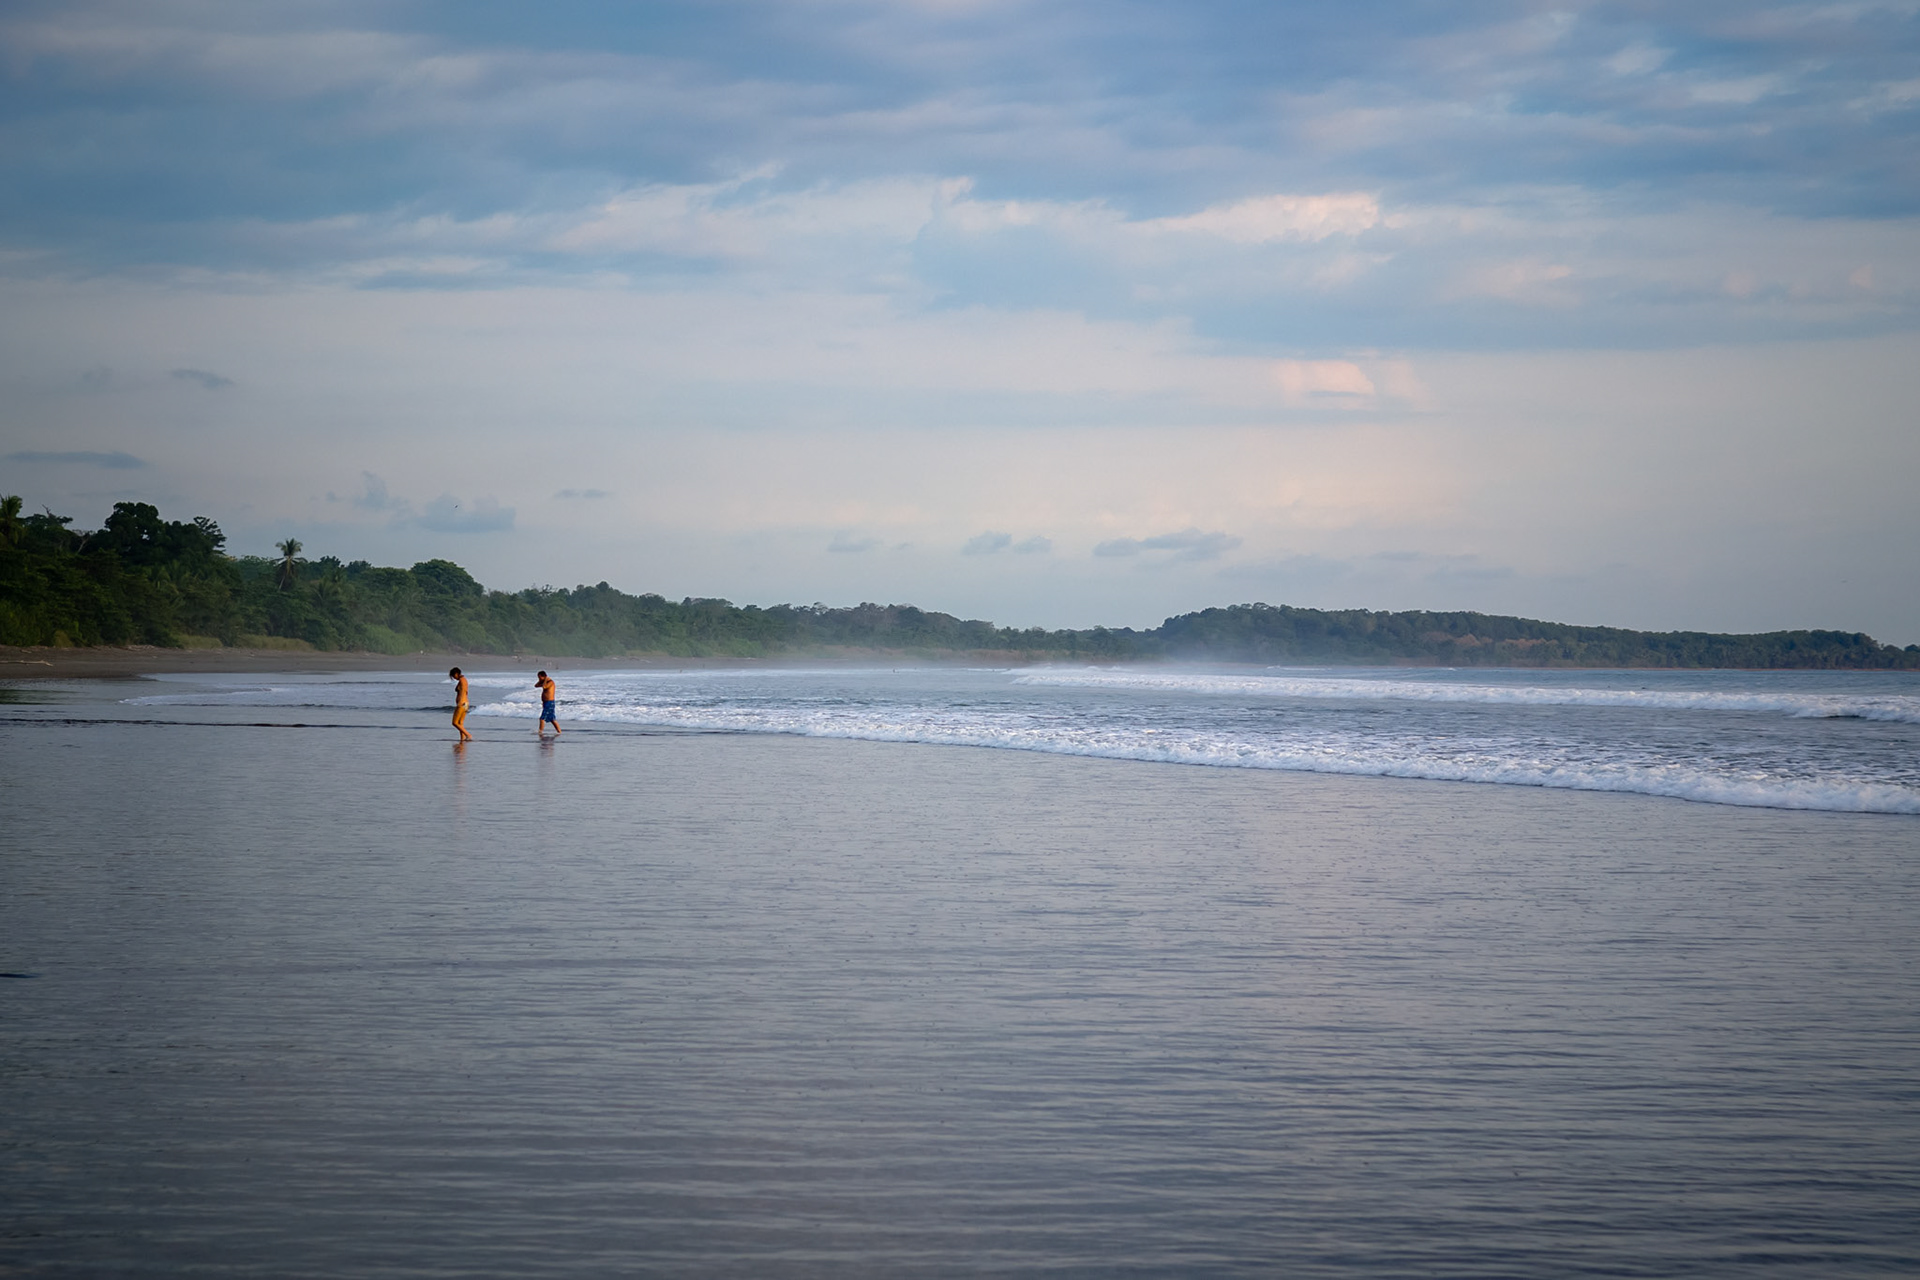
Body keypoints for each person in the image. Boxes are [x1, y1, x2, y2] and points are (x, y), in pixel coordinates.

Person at [449, 667, 473, 742]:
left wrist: (459, 702)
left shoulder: (462, 681)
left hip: (461, 703)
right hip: (466, 703)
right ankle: (462, 739)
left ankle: (468, 735)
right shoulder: (464, 680)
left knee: (454, 723)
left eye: (453, 676)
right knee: (460, 723)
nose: (453, 677)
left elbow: (462, 692)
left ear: (456, 674)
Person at [535, 670, 561, 736]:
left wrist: (546, 679)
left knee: (542, 718)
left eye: (539, 677)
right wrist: (541, 680)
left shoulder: (550, 682)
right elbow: (536, 685)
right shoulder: (544, 682)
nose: (539, 679)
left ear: (543, 676)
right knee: (552, 719)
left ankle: (540, 732)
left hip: (549, 702)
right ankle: (559, 731)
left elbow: (545, 687)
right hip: (546, 702)